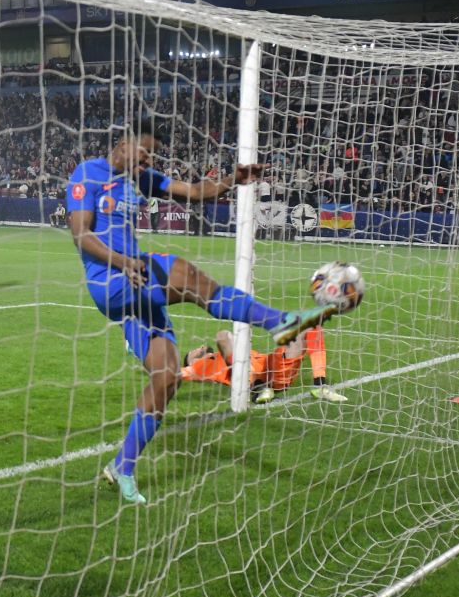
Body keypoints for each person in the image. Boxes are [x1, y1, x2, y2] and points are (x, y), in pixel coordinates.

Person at [67, 117, 335, 504]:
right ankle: (282, 323)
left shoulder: (139, 177)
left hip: (136, 287)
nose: (147, 162)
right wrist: (123, 261)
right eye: (144, 153)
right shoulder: (87, 173)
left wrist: (232, 180)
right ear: (123, 144)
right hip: (109, 280)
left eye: (151, 157)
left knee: (168, 376)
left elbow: (194, 191)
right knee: (189, 277)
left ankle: (122, 466)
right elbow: (81, 234)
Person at [180, 328, 345, 403]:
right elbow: (177, 373)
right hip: (249, 377)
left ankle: (320, 385)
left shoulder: (224, 352)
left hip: (273, 367)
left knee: (311, 328)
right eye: (194, 351)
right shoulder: (200, 366)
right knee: (223, 335)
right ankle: (255, 387)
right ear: (192, 361)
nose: (200, 347)